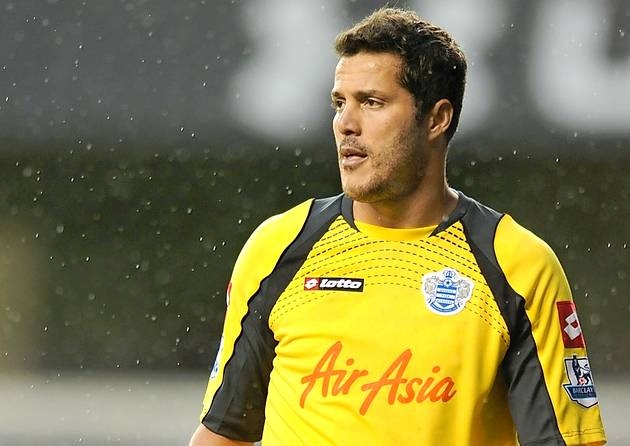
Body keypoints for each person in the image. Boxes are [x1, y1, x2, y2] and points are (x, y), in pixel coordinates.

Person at [189, 7, 607, 445]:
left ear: (437, 119)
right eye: (339, 103)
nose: (346, 124)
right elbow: (223, 433)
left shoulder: (517, 264)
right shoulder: (278, 247)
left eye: (372, 102)